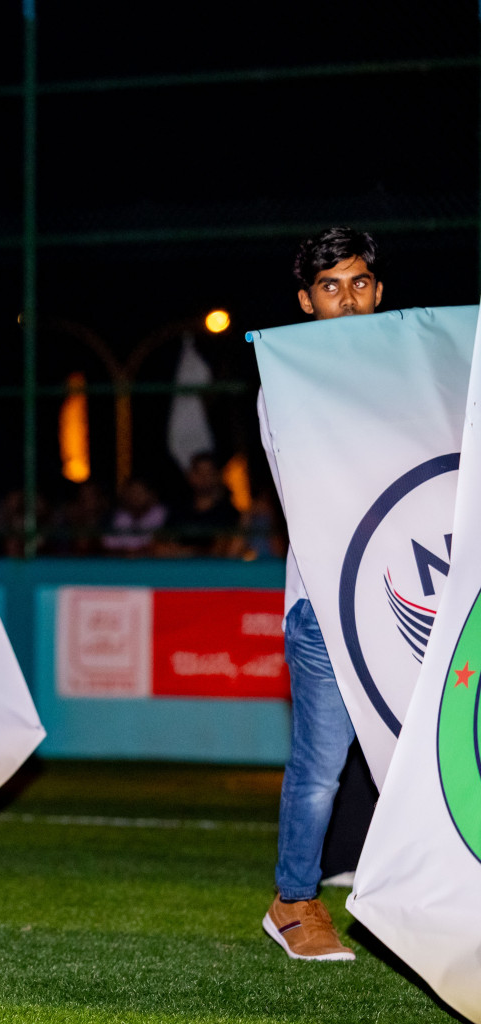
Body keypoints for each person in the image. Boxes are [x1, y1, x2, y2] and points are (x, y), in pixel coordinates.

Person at [259, 226, 384, 960]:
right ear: (306, 302)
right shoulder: (287, 379)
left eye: (360, 282)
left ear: (378, 291)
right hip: (328, 604)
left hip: (416, 594)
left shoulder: (418, 373)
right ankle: (295, 902)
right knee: (320, 768)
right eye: (330, 287)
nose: (348, 298)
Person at [166, 452, 240, 556]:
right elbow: (161, 545)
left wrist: (193, 552)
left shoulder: (229, 513)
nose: (204, 477)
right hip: (176, 569)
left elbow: (223, 549)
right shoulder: (178, 509)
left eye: (209, 472)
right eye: (199, 472)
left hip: (212, 569)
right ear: (190, 475)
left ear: (218, 476)